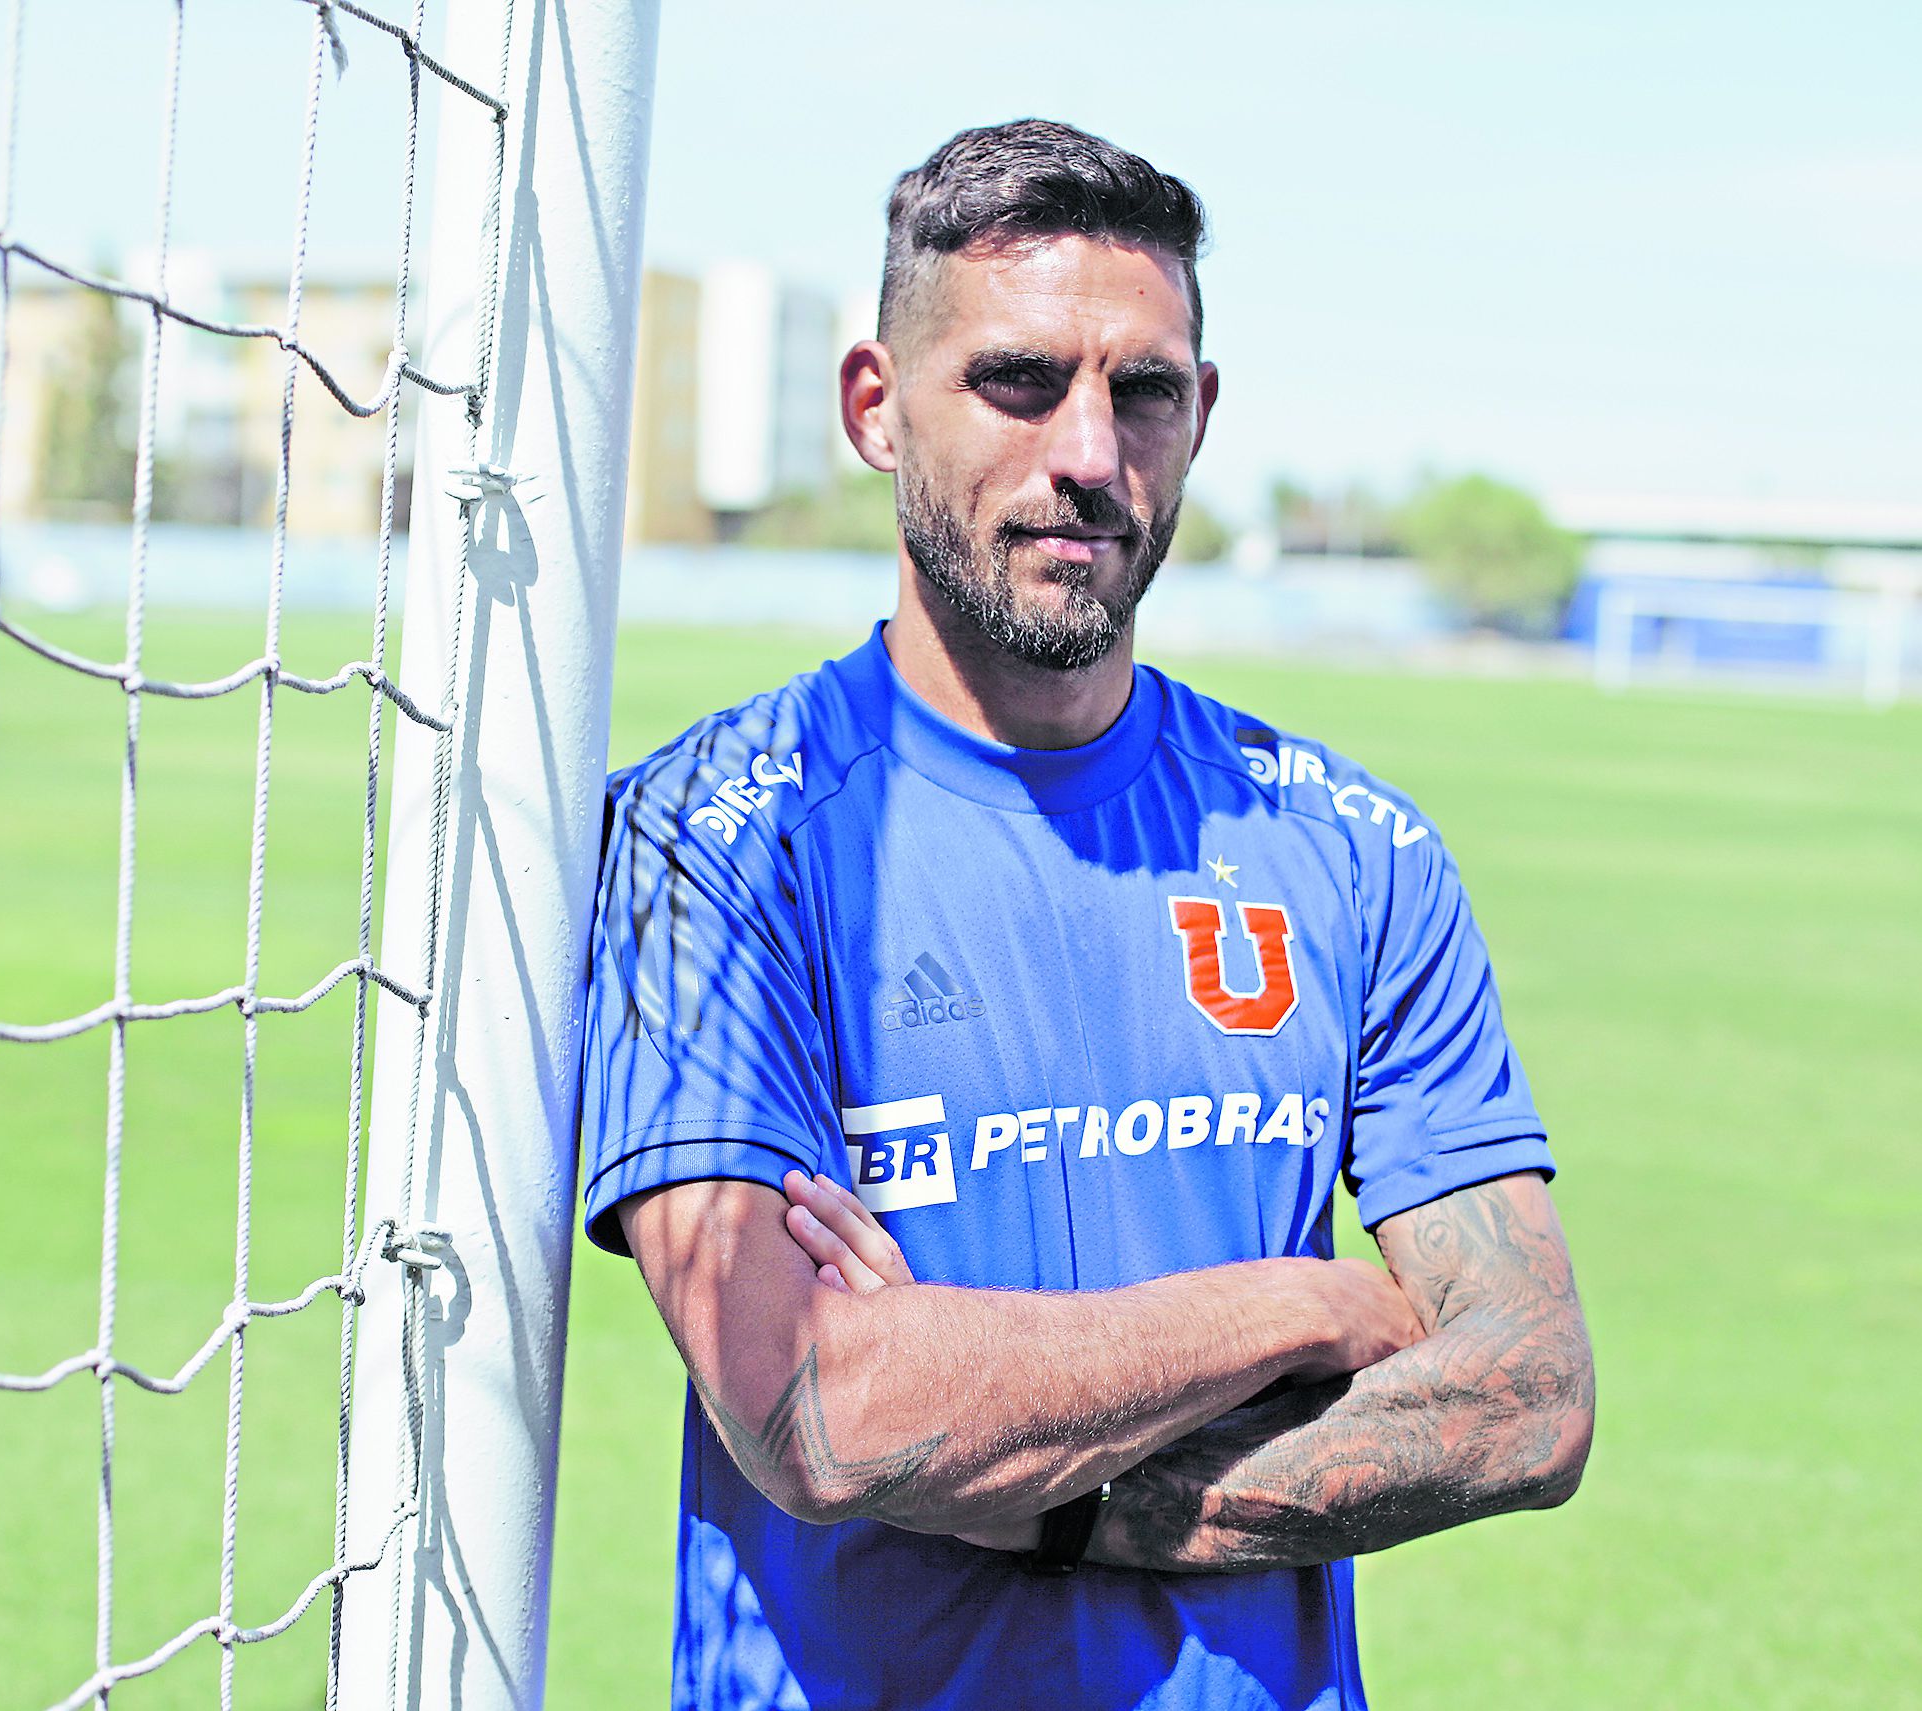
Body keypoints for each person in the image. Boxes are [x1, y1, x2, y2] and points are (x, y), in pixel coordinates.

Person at [577, 117, 1594, 1711]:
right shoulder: (708, 845)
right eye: (1017, 380)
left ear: (1201, 415)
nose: (1089, 453)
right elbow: (819, 1413)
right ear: (873, 405)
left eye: (1146, 391)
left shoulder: (1350, 846)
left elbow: (1526, 1395)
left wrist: (1034, 1486)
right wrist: (1298, 1303)